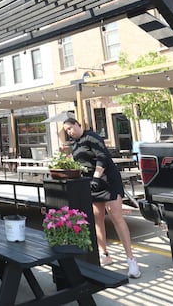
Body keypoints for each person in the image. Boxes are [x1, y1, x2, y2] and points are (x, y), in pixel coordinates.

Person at [62, 117, 141, 278]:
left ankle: (132, 261)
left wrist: (97, 177)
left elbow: (102, 157)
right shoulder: (75, 145)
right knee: (97, 218)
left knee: (116, 218)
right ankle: (104, 254)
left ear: (78, 124)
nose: (69, 132)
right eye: (67, 130)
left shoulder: (92, 137)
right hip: (93, 185)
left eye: (71, 128)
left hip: (108, 181)